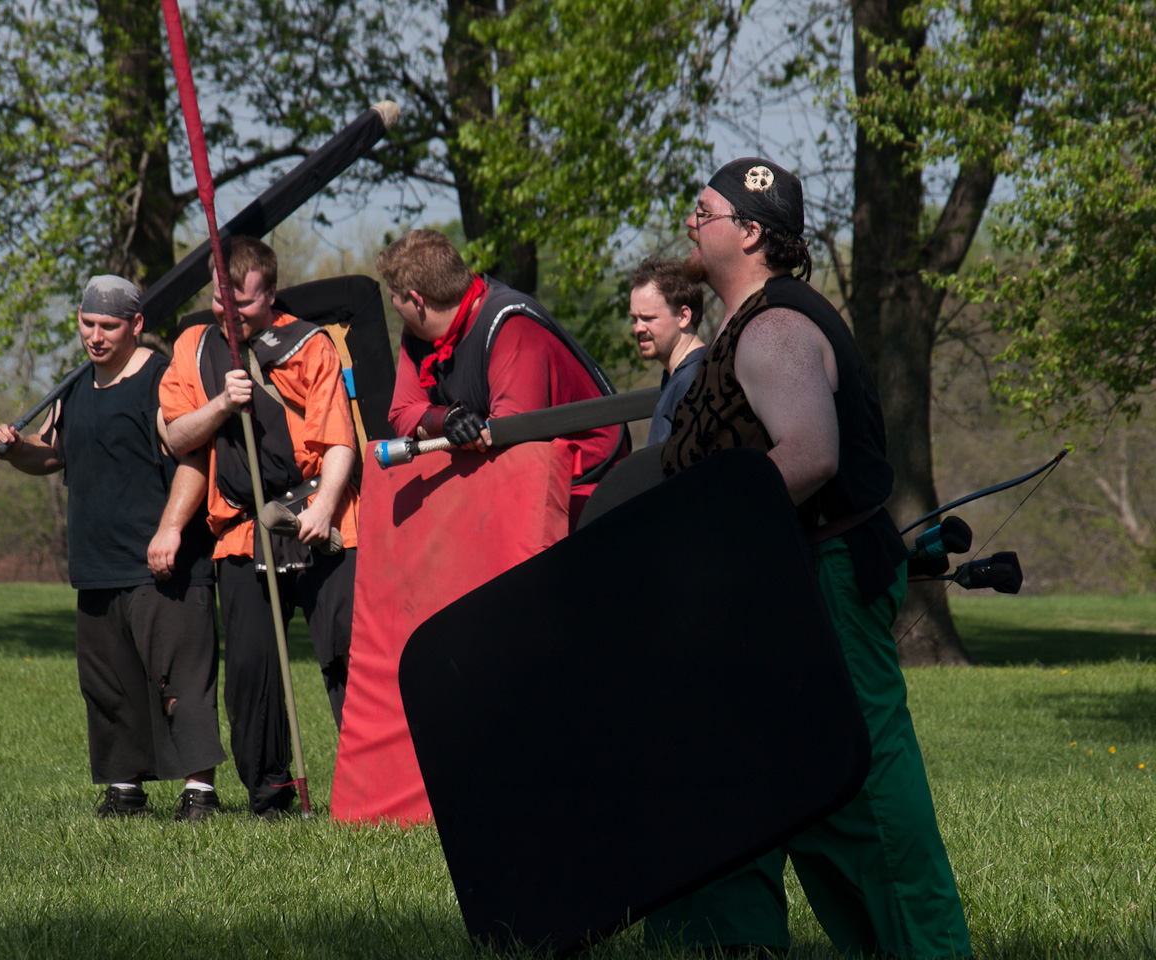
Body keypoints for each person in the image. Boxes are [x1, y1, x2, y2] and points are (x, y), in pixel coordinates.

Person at [648, 158, 972, 959]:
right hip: (773, 586)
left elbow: (810, 455)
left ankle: (925, 950)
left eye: (703, 213)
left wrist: (703, 528)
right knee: (756, 782)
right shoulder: (744, 325)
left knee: (862, 788)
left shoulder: (777, 328)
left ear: (750, 233)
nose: (690, 223)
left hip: (823, 580)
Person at [0, 275, 226, 822]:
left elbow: (194, 457)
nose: (95, 336)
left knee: (180, 679)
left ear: (136, 325)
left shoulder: (162, 379)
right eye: (87, 323)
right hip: (96, 562)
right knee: (108, 683)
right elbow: (52, 454)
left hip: (163, 562)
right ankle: (124, 788)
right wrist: (15, 449)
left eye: (108, 326)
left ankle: (199, 792)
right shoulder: (74, 385)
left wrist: (170, 529)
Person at [158, 236, 359, 820]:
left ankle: (367, 788)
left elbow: (340, 440)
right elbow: (176, 436)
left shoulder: (310, 345)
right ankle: (270, 795)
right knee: (251, 671)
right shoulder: (194, 347)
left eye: (242, 303)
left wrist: (322, 510)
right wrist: (223, 404)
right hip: (244, 528)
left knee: (346, 655)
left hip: (321, 515)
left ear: (270, 294)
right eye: (221, 300)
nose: (230, 312)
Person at [377, 229, 627, 524]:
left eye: (394, 298)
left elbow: (511, 443)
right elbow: (401, 413)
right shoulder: (418, 334)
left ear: (417, 300)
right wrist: (447, 420)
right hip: (519, 488)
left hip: (589, 491)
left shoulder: (510, 324)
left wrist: (440, 428)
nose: (394, 307)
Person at [627, 257, 706, 446]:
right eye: (635, 319)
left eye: (648, 318)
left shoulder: (694, 382)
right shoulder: (677, 377)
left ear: (683, 317)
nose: (638, 328)